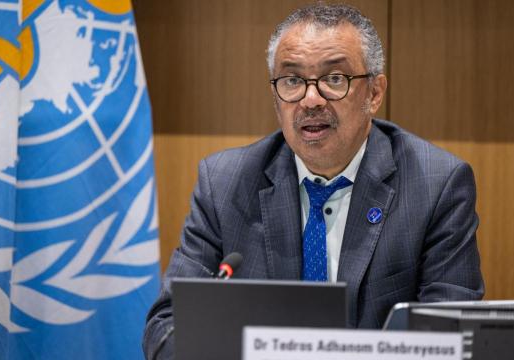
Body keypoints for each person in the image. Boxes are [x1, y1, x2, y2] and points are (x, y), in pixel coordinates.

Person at [143, 4, 484, 359]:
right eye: (292, 81)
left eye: (334, 79)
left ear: (374, 93)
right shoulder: (225, 183)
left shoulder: (436, 185)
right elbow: (166, 329)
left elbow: (452, 337)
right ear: (276, 96)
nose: (310, 99)